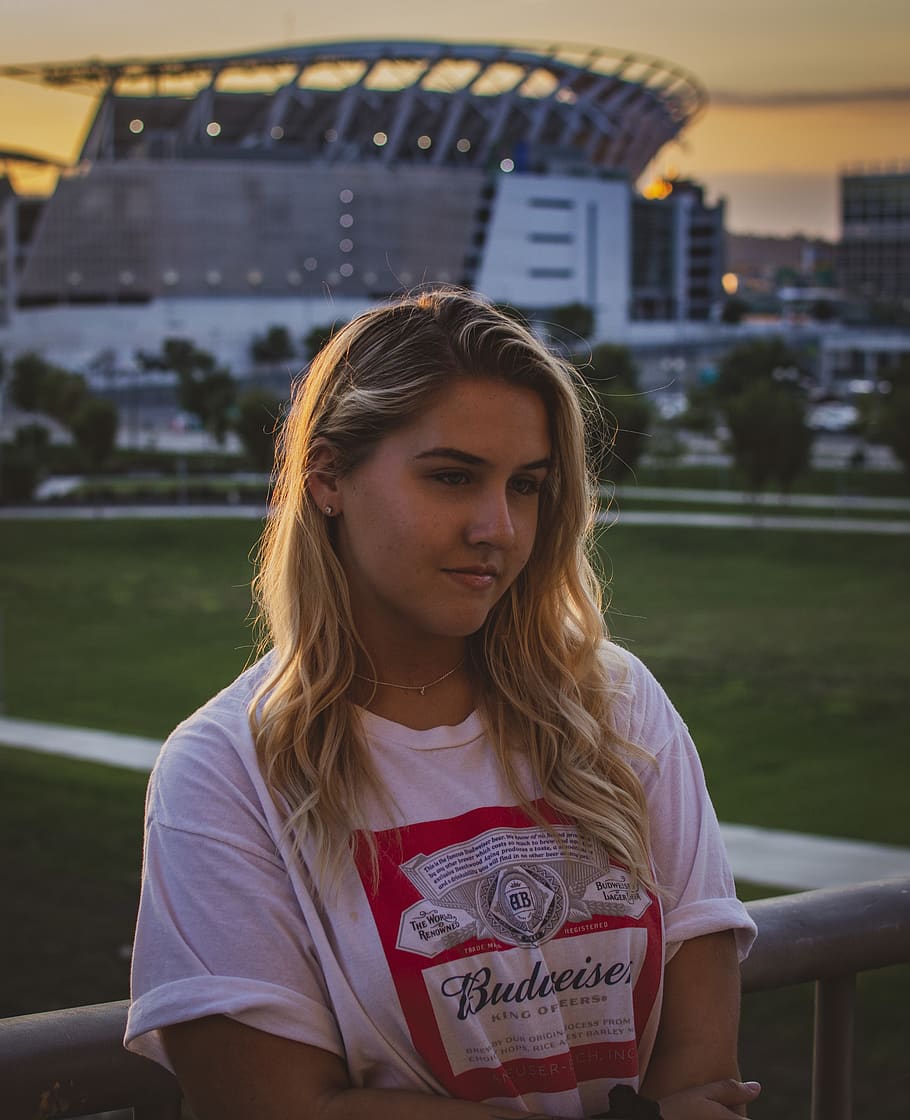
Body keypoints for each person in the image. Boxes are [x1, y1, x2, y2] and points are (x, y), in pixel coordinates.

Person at [126, 289, 760, 1119]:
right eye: (453, 477)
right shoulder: (224, 772)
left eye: (526, 485)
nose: (497, 526)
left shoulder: (617, 704)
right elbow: (277, 1107)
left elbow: (702, 1071)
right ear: (326, 479)